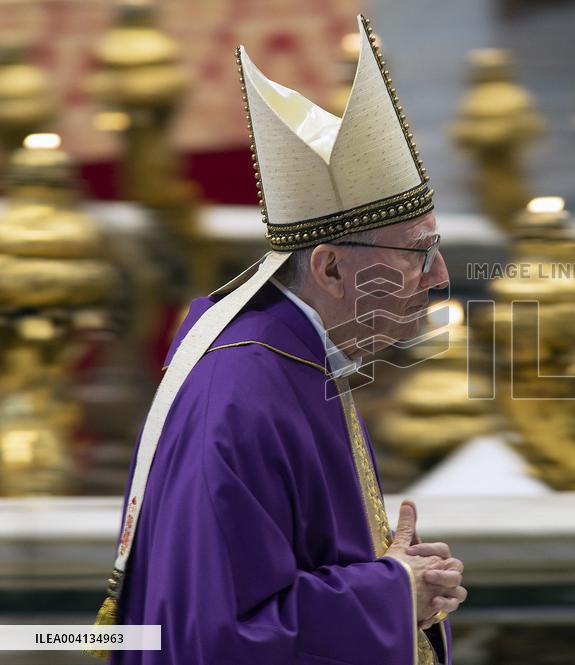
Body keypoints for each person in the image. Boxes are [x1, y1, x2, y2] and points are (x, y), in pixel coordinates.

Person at [87, 14, 464, 665]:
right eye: (417, 253)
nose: (440, 277)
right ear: (330, 268)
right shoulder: (243, 395)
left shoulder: (295, 357)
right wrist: (392, 590)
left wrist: (404, 578)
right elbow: (218, 635)